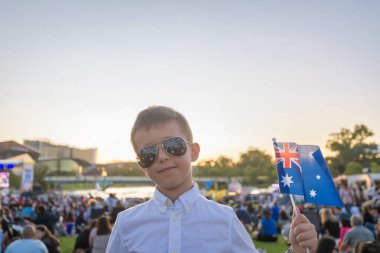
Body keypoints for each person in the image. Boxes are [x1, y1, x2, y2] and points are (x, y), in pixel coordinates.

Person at [105, 105, 318, 253]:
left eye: (173, 145)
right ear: (142, 165)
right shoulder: (126, 224)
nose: (162, 157)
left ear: (194, 151)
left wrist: (296, 251)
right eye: (148, 153)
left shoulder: (225, 219)